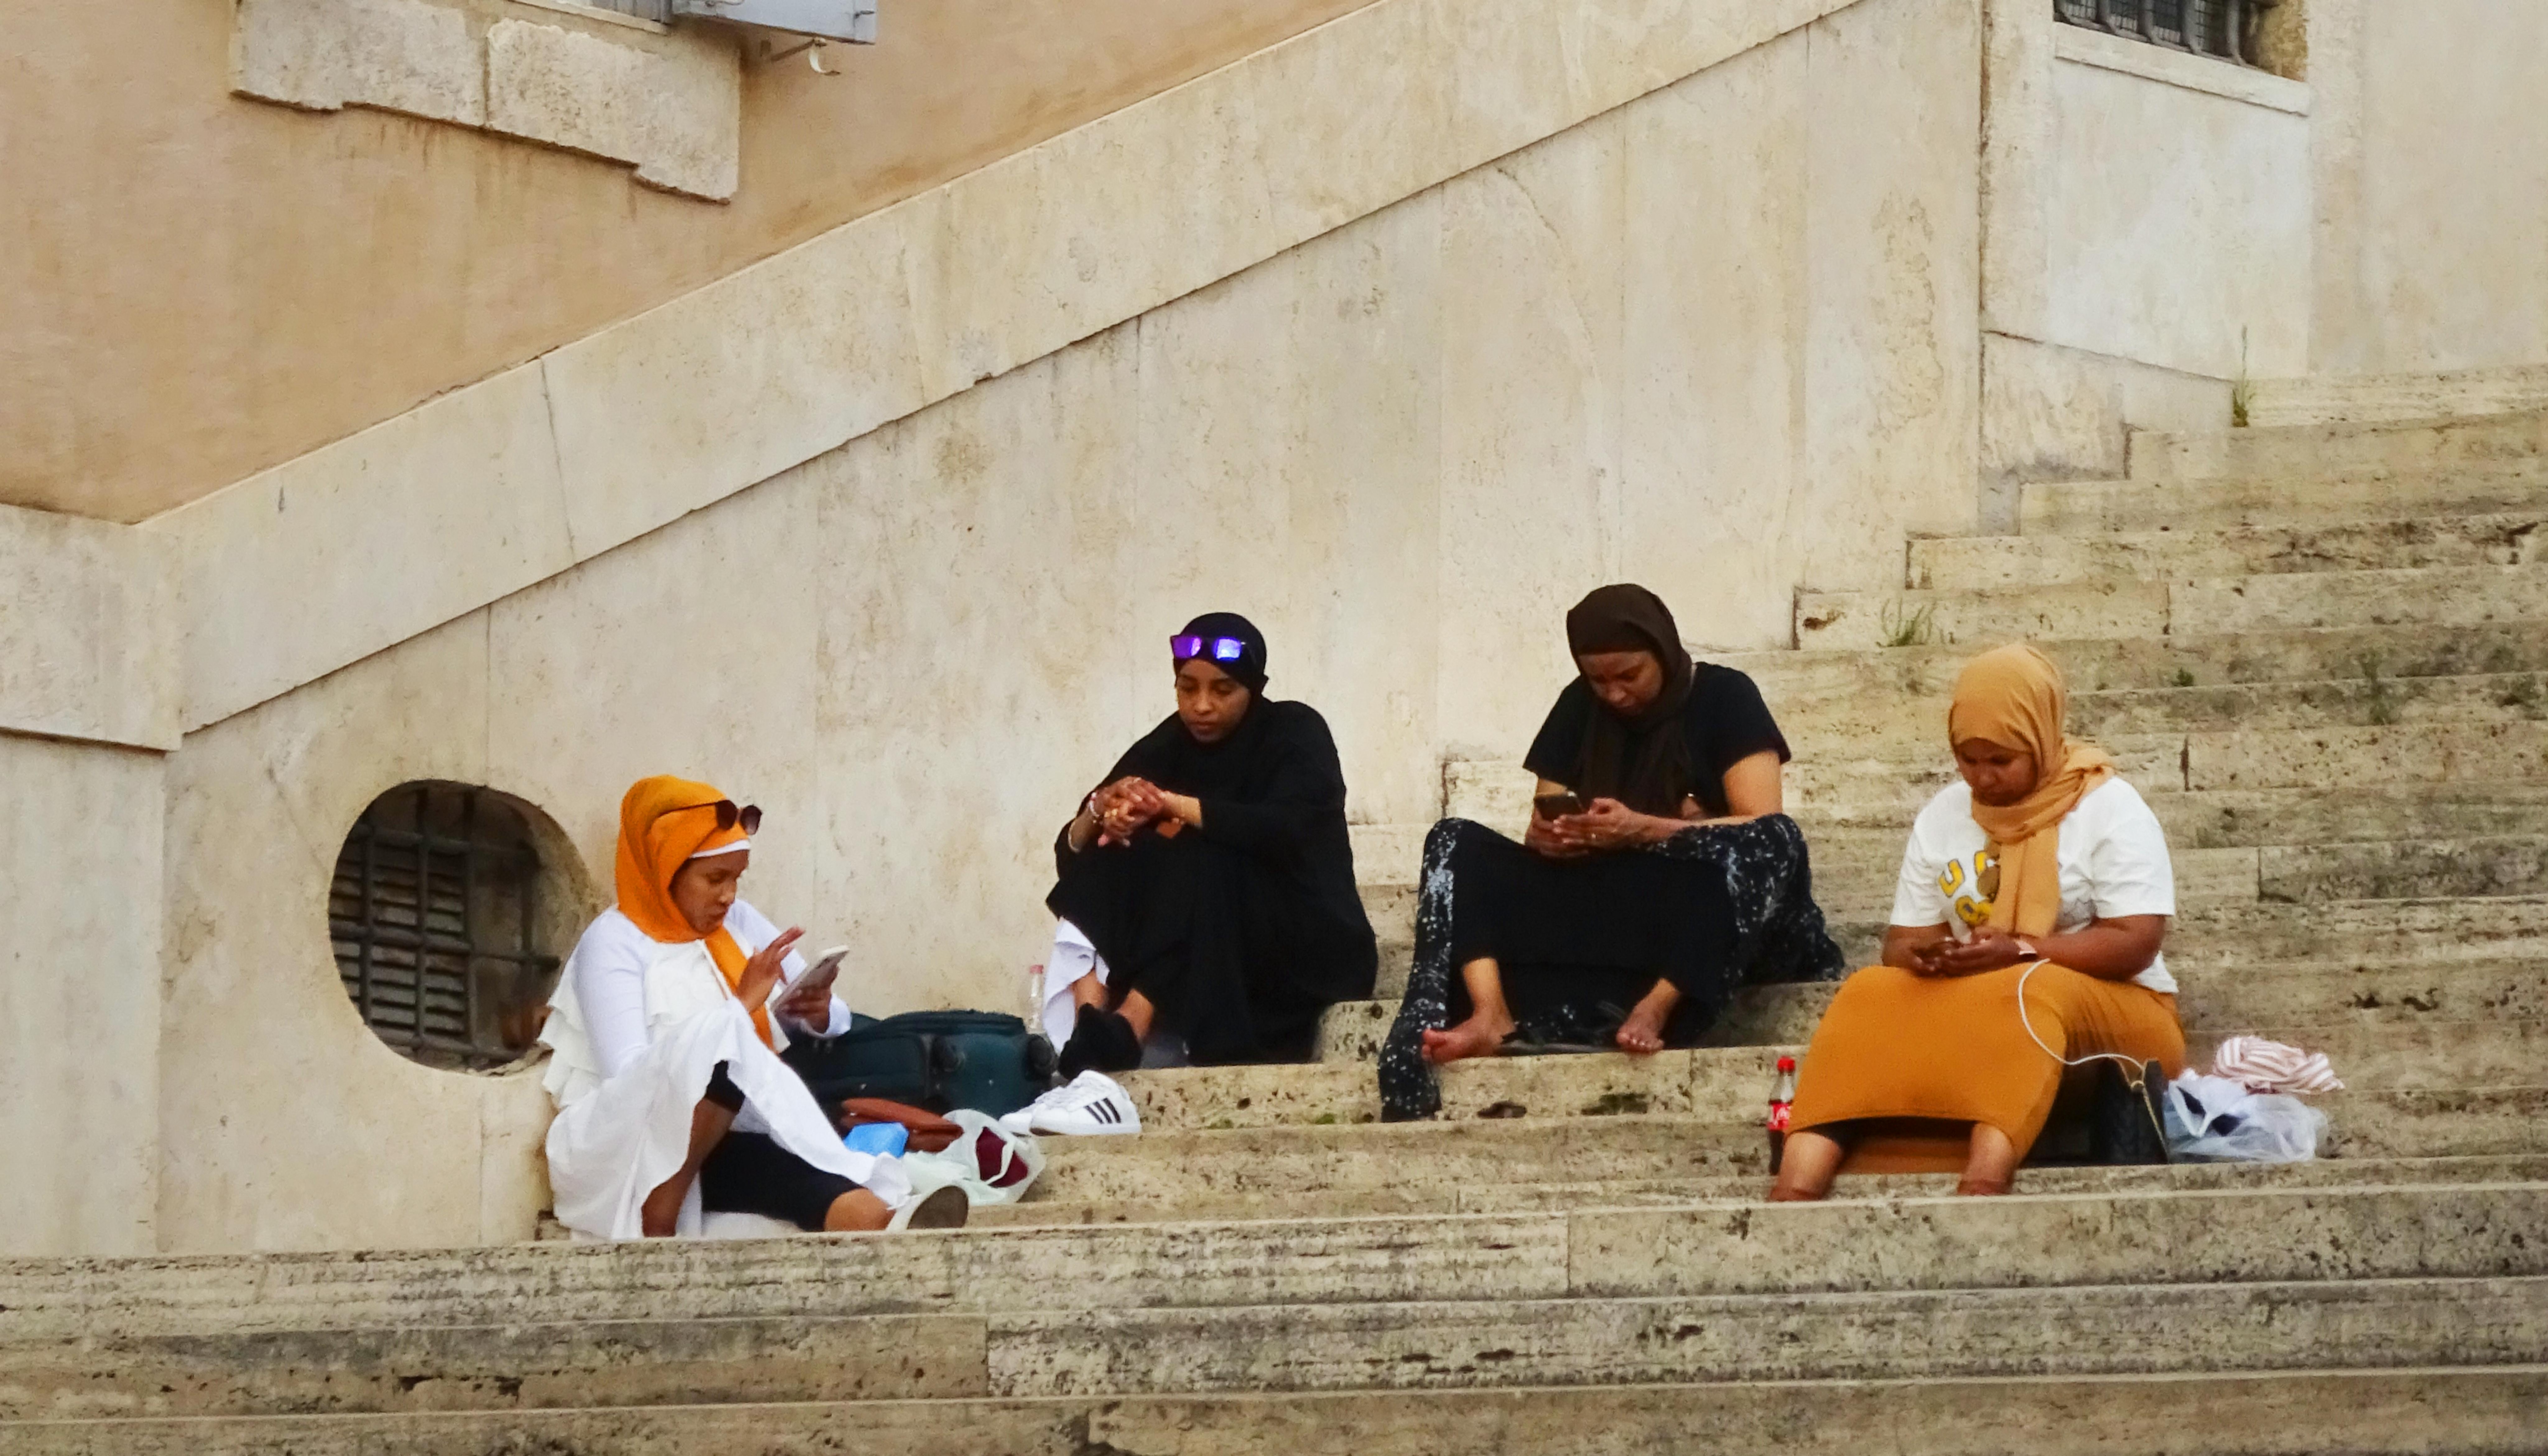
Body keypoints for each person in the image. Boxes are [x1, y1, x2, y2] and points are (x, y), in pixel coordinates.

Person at [1378, 584, 1844, 1121]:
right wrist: (1552, 837)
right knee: (1453, 840)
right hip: (1611, 893)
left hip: (1701, 907)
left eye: (1629, 676)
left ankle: (1657, 1006)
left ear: (1663, 653)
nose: (1615, 694)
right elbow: (1548, 812)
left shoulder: (1725, 695)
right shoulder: (1579, 706)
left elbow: (1764, 820)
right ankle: (1489, 1011)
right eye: (1599, 680)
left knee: (1773, 840)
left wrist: (1647, 828)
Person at [1771, 643, 2186, 1199]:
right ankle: (1799, 1181)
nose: (1983, 778)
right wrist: (1932, 956)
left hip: (2122, 1010)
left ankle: (1985, 1178)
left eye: (2001, 760)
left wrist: (2020, 950)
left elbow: (2136, 941)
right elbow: (1901, 943)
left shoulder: (2111, 806)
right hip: (1978, 1003)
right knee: (1869, 990)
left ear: (2040, 740)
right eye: (1969, 760)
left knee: (2028, 989)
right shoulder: (1945, 813)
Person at [538, 775, 969, 1238]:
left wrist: (816, 1009)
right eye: (714, 879)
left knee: (809, 1174)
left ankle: (888, 1223)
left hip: (738, 1126)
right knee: (721, 1051)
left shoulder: (737, 921)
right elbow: (628, 1078)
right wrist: (740, 1009)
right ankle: (661, 1198)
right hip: (637, 1142)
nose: (729, 896)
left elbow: (826, 1014)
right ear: (667, 872)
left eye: (736, 878)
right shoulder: (615, 941)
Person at [1041, 612, 1378, 1074]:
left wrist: (1171, 806)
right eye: (1187, 688)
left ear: (1254, 688)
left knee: (1202, 853)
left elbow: (1286, 830)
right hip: (1209, 936)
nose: (1201, 705)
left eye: (1222, 690)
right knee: (1112, 847)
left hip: (1304, 945)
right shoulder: (1170, 742)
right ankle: (1091, 1024)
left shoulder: (1294, 731)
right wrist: (1101, 813)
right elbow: (1072, 857)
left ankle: (1130, 1024)